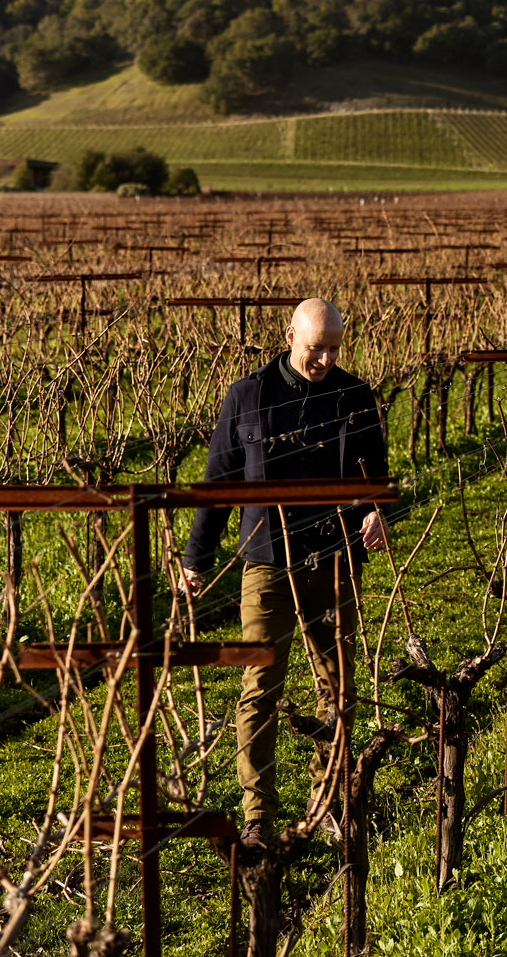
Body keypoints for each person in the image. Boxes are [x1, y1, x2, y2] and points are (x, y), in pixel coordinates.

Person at [180, 298, 390, 849]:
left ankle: (325, 802)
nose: (322, 358)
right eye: (313, 346)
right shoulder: (246, 397)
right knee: (259, 690)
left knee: (338, 688)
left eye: (332, 349)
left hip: (335, 559)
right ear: (290, 334)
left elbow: (379, 479)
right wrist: (196, 559)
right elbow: (218, 484)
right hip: (268, 565)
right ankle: (258, 817)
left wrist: (377, 513)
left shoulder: (354, 397)